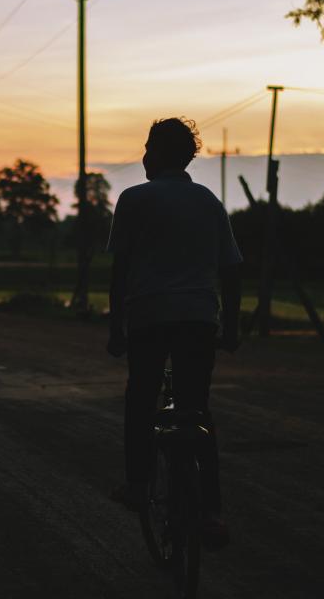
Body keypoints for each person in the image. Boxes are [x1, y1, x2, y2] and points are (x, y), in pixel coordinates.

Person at [106, 117, 242, 547]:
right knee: (197, 412)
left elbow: (120, 271)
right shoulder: (208, 202)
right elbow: (232, 269)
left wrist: (116, 328)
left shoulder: (133, 200)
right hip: (199, 318)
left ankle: (138, 483)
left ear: (159, 153)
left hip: (148, 317)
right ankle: (212, 514)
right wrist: (232, 325)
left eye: (147, 147)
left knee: (142, 398)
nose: (143, 155)